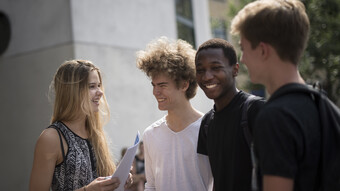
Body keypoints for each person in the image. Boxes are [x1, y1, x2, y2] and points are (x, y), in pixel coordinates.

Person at [230, 0, 321, 190]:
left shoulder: (276, 118)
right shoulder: (327, 108)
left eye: (244, 48)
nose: (243, 59)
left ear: (263, 50)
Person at [29, 60, 132, 191]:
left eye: (99, 85)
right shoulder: (52, 138)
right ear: (72, 91)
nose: (100, 92)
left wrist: (117, 181)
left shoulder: (95, 133)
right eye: (92, 86)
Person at [136, 36, 213, 191]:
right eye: (154, 85)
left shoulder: (210, 128)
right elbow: (150, 186)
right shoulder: (151, 134)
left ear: (184, 84)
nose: (155, 92)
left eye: (162, 85)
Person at [195, 38, 265, 191]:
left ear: (235, 69)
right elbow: (214, 181)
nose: (207, 76)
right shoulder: (207, 123)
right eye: (200, 70)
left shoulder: (256, 110)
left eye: (215, 68)